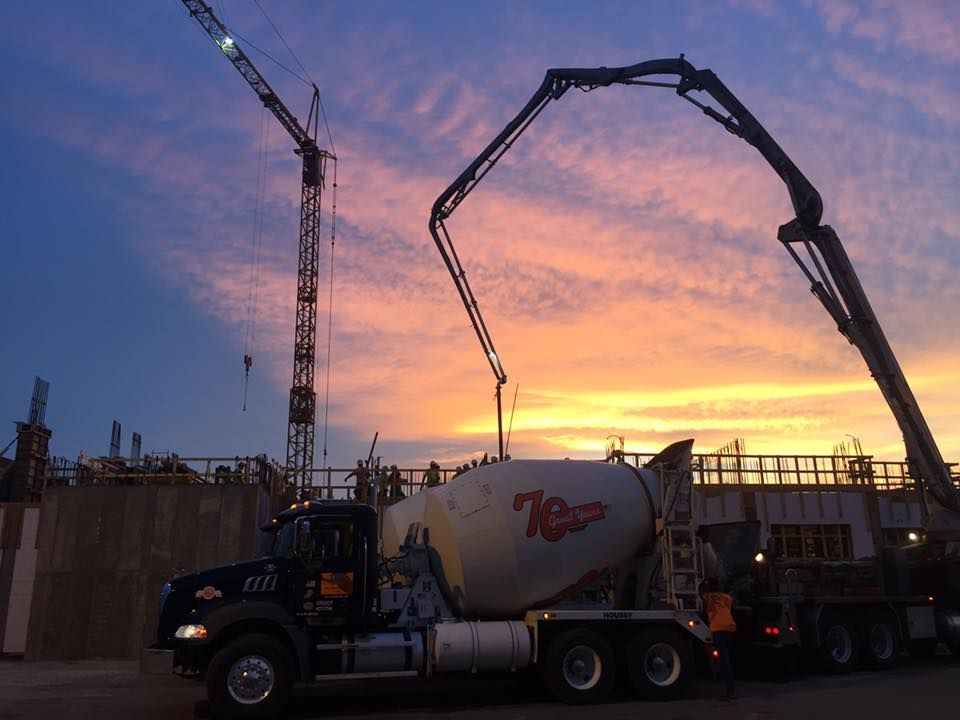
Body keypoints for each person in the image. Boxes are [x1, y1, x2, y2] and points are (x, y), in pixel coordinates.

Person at [701, 577, 737, 699]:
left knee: (724, 660)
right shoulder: (727, 597)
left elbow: (701, 597)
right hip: (730, 627)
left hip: (718, 628)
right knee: (728, 658)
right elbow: (729, 605)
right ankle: (731, 686)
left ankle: (730, 691)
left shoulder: (708, 597)